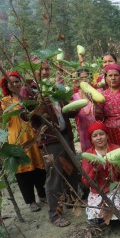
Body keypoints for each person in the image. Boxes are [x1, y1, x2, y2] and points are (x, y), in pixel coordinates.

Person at [21, 61, 79, 227]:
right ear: (33, 71)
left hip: (65, 135)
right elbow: (26, 116)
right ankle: (54, 214)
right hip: (49, 138)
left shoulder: (54, 87)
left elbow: (69, 111)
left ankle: (73, 201)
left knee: (71, 170)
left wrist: (74, 103)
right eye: (42, 69)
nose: (45, 72)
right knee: (54, 176)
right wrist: (39, 103)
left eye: (47, 69)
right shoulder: (28, 90)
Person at [0, 71, 47, 213]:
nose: (14, 84)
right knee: (22, 172)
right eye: (11, 82)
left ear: (21, 82)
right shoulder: (4, 102)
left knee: (39, 166)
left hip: (33, 135)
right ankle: (31, 201)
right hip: (16, 139)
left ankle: (42, 194)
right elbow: (3, 120)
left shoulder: (29, 97)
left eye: (16, 81)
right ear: (6, 85)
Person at [81, 121, 120, 225]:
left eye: (101, 134)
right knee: (98, 217)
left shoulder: (116, 148)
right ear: (91, 139)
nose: (99, 138)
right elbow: (86, 182)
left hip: (116, 187)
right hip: (99, 191)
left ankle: (116, 221)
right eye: (95, 136)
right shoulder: (88, 155)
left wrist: (118, 166)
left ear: (107, 136)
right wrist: (95, 170)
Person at [71, 68, 96, 153]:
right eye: (82, 78)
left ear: (92, 79)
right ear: (78, 81)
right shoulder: (74, 97)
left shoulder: (99, 93)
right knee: (90, 159)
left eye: (87, 77)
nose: (85, 80)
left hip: (100, 133)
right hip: (84, 133)